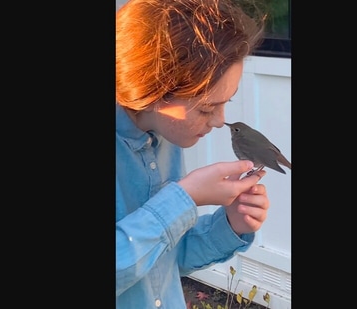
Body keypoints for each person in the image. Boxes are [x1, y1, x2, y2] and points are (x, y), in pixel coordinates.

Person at [116, 0, 268, 307]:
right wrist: (182, 199)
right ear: (152, 88)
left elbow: (164, 260)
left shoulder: (166, 138)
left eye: (227, 101)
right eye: (207, 108)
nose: (220, 121)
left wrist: (230, 225)